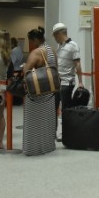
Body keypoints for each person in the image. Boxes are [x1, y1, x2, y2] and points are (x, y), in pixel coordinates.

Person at [22, 27, 57, 156]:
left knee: (34, 121)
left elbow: (26, 70)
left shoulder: (36, 52)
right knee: (47, 121)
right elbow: (55, 68)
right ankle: (47, 146)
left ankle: (33, 148)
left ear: (35, 40)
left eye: (30, 41)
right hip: (50, 92)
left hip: (37, 93)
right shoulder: (51, 50)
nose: (30, 44)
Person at [52, 23, 84, 116]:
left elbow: (77, 64)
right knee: (54, 107)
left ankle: (67, 129)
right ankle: (53, 129)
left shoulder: (73, 46)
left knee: (66, 110)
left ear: (59, 34)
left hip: (67, 83)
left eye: (55, 35)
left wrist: (80, 82)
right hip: (58, 82)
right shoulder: (60, 46)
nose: (54, 38)